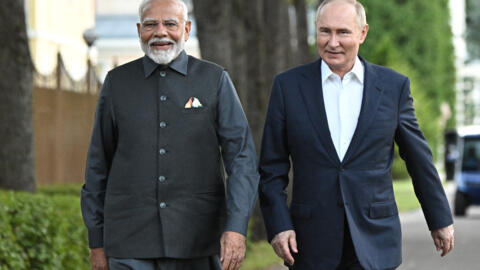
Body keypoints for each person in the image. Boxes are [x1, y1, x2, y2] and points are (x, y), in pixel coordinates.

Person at [258, 0, 454, 269]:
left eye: (343, 32)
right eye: (325, 31)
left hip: (375, 239)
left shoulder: (393, 87)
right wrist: (279, 225)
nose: (333, 42)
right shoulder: (287, 86)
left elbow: (419, 159)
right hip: (310, 242)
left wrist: (440, 218)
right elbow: (271, 168)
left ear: (363, 33)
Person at [80, 0, 259, 269]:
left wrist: (236, 228)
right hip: (128, 243)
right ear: (140, 30)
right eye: (151, 24)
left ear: (186, 29)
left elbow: (241, 159)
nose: (160, 32)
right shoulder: (117, 84)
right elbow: (98, 166)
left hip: (198, 240)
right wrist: (96, 240)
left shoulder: (215, 80)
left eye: (170, 24)